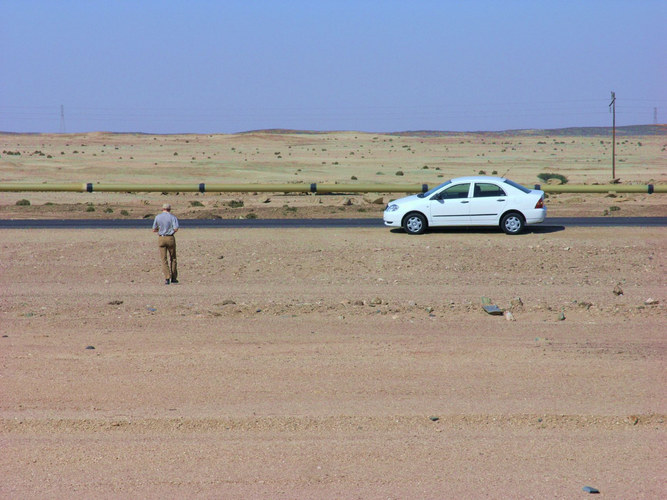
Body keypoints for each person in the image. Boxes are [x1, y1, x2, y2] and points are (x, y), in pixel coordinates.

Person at [152, 203, 179, 284]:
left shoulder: (158, 217)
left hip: (161, 238)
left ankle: (167, 277)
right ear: (169, 209)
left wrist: (160, 230)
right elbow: (176, 228)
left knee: (164, 259)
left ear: (162, 209)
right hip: (170, 237)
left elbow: (154, 229)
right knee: (173, 258)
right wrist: (170, 231)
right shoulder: (173, 217)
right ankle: (173, 277)